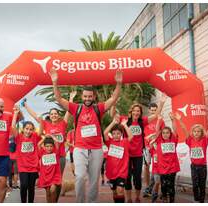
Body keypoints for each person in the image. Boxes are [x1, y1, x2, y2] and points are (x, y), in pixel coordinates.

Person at [49, 68, 123, 202]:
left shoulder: (98, 108)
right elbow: (59, 99)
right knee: (80, 176)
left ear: (94, 97)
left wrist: (118, 83)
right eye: (85, 96)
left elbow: (113, 98)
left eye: (90, 96)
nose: (87, 99)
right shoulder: (76, 108)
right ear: (82, 97)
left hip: (96, 150)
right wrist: (55, 82)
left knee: (94, 180)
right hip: (80, 149)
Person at [23, 90, 76, 199]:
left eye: (55, 114)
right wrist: (25, 105)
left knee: (58, 180)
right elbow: (35, 116)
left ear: (58, 115)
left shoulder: (63, 124)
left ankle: (55, 200)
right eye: (51, 114)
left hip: (60, 157)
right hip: (47, 157)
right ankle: (49, 200)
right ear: (50, 116)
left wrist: (71, 99)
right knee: (48, 181)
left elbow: (68, 112)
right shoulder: (46, 124)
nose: (53, 115)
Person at [118, 94, 166, 203]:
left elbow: (156, 115)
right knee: (127, 177)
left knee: (137, 178)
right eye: (134, 111)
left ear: (140, 113)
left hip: (138, 154)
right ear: (131, 111)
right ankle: (129, 199)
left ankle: (137, 198)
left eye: (138, 111)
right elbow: (113, 115)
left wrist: (162, 103)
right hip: (127, 155)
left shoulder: (142, 121)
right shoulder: (125, 120)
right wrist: (114, 102)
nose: (136, 113)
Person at [176, 112, 208, 203]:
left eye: (198, 131)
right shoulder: (190, 140)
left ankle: (201, 200)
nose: (196, 133)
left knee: (202, 184)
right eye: (195, 131)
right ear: (192, 133)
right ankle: (197, 198)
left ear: (201, 133)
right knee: (195, 184)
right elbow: (184, 129)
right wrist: (180, 120)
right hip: (194, 166)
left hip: (202, 166)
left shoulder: (204, 141)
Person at [11, 106, 40, 203]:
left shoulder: (35, 137)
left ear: (33, 130)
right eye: (27, 129)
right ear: (23, 129)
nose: (28, 131)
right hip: (23, 167)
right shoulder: (18, 137)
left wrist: (37, 118)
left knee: (31, 188)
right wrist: (15, 113)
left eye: (31, 129)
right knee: (23, 186)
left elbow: (41, 124)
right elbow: (13, 127)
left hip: (33, 167)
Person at [150, 113, 180, 203]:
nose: (165, 134)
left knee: (171, 187)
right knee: (163, 187)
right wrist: (159, 120)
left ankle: (171, 201)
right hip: (162, 169)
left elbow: (175, 130)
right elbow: (156, 131)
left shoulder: (173, 140)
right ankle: (164, 200)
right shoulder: (159, 141)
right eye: (163, 133)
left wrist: (173, 120)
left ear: (170, 134)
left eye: (167, 133)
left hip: (172, 168)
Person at [103, 115, 133, 203]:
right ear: (112, 135)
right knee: (115, 192)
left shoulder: (124, 142)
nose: (116, 135)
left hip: (122, 172)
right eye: (114, 134)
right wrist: (113, 123)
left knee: (120, 190)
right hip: (111, 172)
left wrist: (124, 125)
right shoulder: (109, 142)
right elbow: (105, 133)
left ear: (121, 134)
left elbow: (131, 136)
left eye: (118, 133)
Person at [142, 103, 165, 197]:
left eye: (155, 110)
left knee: (158, 167)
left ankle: (155, 187)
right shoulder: (146, 120)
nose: (154, 111)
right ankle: (147, 187)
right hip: (147, 146)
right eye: (152, 110)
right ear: (149, 110)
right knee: (147, 166)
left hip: (157, 147)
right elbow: (142, 134)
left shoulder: (161, 121)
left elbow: (164, 132)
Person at [37, 135, 61, 203]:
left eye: (51, 146)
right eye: (47, 146)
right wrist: (44, 137)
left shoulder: (56, 153)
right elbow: (38, 144)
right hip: (45, 177)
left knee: (53, 191)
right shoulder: (42, 153)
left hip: (54, 177)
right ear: (44, 147)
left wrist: (51, 136)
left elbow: (56, 142)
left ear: (53, 147)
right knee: (48, 193)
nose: (49, 148)